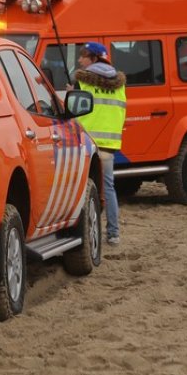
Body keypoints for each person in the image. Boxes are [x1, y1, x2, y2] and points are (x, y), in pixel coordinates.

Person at [72, 42, 127, 245]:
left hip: (87, 144)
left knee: (83, 190)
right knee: (109, 188)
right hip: (108, 145)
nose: (80, 59)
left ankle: (83, 234)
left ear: (94, 58)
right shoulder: (119, 84)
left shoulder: (83, 81)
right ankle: (113, 234)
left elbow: (73, 109)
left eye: (83, 55)